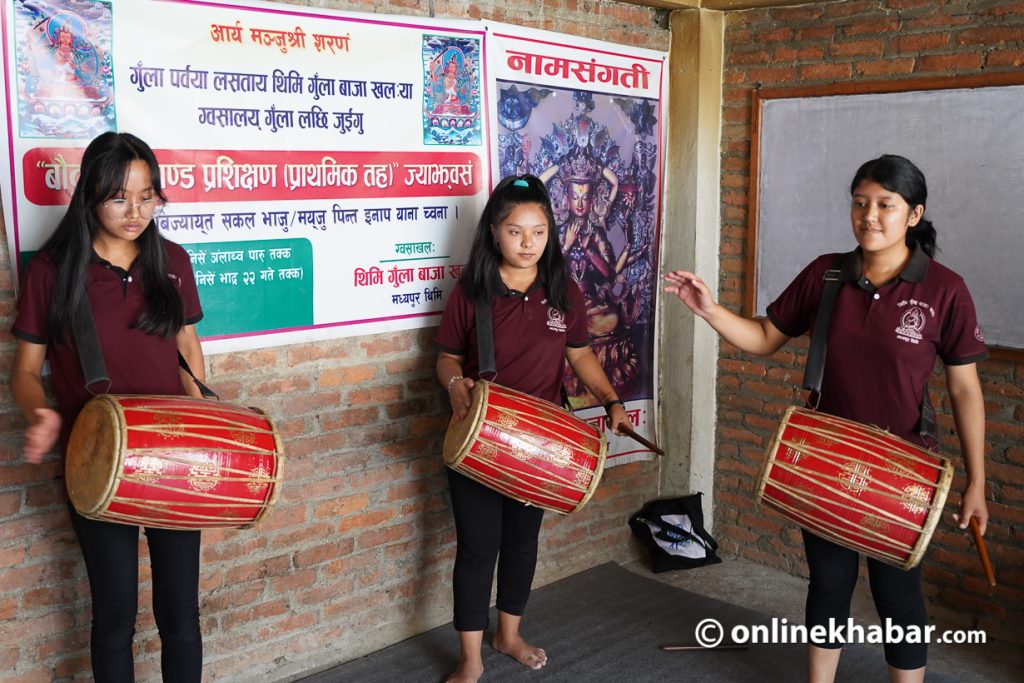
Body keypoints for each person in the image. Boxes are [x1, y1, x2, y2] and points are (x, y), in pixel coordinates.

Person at [665, 154, 988, 683]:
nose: (870, 216)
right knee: (829, 583)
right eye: (860, 203)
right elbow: (766, 338)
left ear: (914, 214)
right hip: (827, 459)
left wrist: (977, 480)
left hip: (902, 469)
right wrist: (709, 310)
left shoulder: (944, 290)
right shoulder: (827, 274)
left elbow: (964, 389)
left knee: (897, 593)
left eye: (886, 204)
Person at [10, 131, 207, 682]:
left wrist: (203, 428)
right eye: (120, 197)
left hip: (174, 460)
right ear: (90, 193)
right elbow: (25, 372)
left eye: (148, 196)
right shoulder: (53, 271)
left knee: (180, 612)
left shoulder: (172, 261)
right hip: (95, 463)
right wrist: (40, 414)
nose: (136, 211)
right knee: (115, 615)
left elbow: (188, 348)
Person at [436, 175, 630, 683]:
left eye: (539, 232)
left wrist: (610, 399)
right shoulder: (473, 291)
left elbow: (580, 353)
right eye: (516, 232)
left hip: (541, 445)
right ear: (494, 232)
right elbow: (447, 358)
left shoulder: (562, 290)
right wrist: (456, 384)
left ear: (551, 233)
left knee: (522, 543)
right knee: (479, 547)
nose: (528, 244)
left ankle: (510, 633)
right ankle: (470, 656)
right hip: (481, 439)